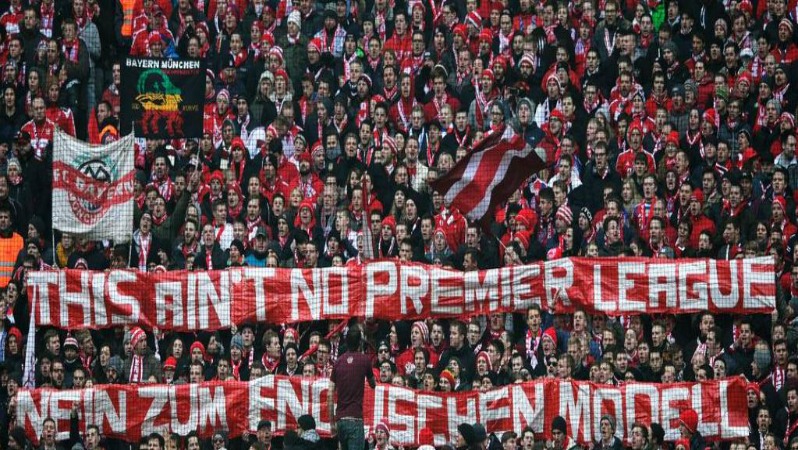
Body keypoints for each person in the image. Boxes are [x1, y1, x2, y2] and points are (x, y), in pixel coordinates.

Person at [329, 326, 377, 450]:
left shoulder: (338, 362)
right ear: (360, 342)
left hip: (340, 421)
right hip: (355, 420)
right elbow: (373, 384)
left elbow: (330, 394)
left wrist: (332, 423)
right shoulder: (364, 361)